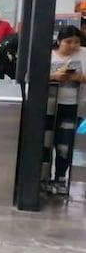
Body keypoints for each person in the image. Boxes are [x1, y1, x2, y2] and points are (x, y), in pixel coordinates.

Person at [47, 25, 86, 194]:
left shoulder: (83, 54)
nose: (73, 46)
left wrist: (78, 77)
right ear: (59, 41)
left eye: (76, 42)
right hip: (48, 107)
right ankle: (43, 177)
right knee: (46, 143)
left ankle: (60, 177)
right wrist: (54, 76)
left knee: (65, 144)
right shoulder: (48, 55)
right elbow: (33, 75)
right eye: (68, 42)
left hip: (71, 107)